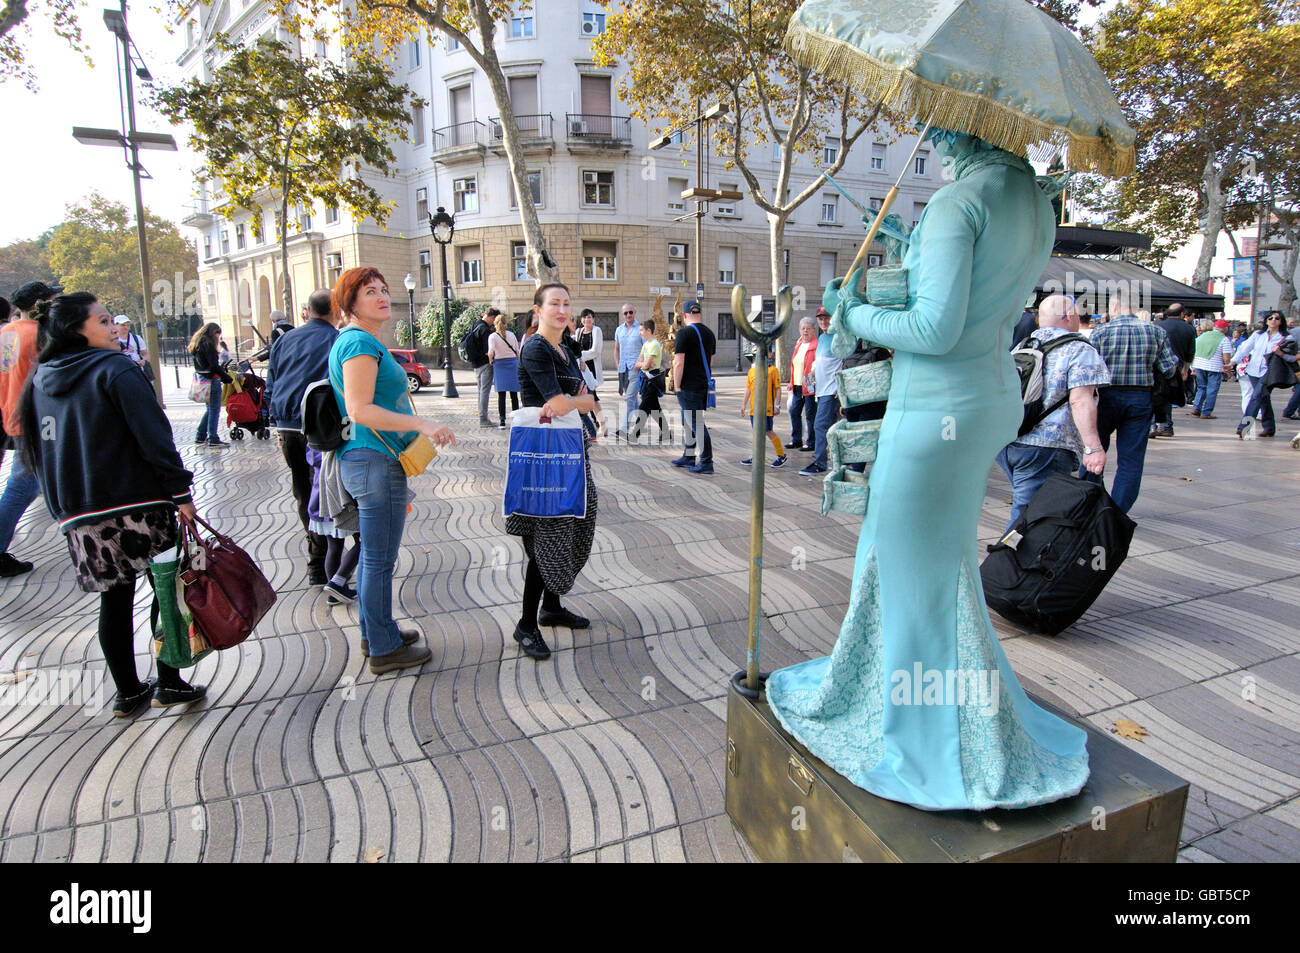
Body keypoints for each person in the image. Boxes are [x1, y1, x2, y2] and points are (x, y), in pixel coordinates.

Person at [767, 130, 1089, 811]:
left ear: (961, 119)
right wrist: (916, 258)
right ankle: (959, 709)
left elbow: (936, 330)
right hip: (991, 399)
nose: (933, 134)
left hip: (935, 407)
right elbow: (978, 304)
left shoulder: (958, 200)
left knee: (903, 561)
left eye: (938, 123)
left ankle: (919, 731)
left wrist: (854, 310)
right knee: (939, 564)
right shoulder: (1033, 199)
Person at [20, 293, 204, 714]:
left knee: (114, 602)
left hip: (81, 513)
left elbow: (39, 453)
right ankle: (170, 681)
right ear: (76, 329)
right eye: (103, 321)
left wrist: (60, 510)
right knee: (166, 591)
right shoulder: (116, 369)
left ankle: (128, 691)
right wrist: (180, 493)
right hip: (138, 503)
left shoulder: (40, 379)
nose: (114, 329)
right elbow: (153, 435)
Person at [329, 267, 456, 673]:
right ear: (351, 303)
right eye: (370, 291)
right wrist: (423, 424)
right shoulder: (358, 343)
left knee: (373, 557)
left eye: (384, 289)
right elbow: (360, 409)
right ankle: (383, 648)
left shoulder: (358, 341)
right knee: (379, 560)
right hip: (374, 462)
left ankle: (376, 632)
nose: (382, 296)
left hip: (369, 461)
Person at [509, 282, 598, 661]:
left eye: (567, 303)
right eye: (554, 304)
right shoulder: (535, 348)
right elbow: (557, 402)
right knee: (548, 533)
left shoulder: (566, 346)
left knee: (577, 517)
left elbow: (572, 394)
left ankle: (552, 606)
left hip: (570, 450)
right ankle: (526, 624)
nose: (562, 310)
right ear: (537, 310)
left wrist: (579, 404)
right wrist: (585, 401)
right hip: (544, 456)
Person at [995, 294, 1109, 532]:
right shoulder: (1079, 349)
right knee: (1027, 516)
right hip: (1046, 444)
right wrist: (1093, 447)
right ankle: (1004, 564)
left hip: (1009, 440)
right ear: (1069, 316)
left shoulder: (1022, 345)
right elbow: (1080, 400)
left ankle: (1022, 561)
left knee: (1029, 507)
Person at [1079, 288, 1178, 512]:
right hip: (1140, 397)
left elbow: (1088, 369)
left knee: (1094, 448)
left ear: (1113, 307)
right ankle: (1118, 511)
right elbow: (1169, 369)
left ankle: (1088, 503)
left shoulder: (1100, 333)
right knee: (1131, 459)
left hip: (1105, 396)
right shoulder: (1155, 332)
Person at [266, 288, 338, 585]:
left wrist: (277, 424)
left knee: (303, 492)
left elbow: (272, 382)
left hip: (287, 426)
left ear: (306, 311)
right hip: (318, 428)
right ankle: (321, 563)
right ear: (336, 310)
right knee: (326, 494)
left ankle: (317, 559)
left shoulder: (284, 339)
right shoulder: (336, 339)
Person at [0, 280, 60, 577]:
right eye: (52, 299)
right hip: (37, 418)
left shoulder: (4, 333)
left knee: (34, 482)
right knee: (22, 485)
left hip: (13, 415)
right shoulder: (40, 334)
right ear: (39, 304)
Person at [304, 444, 360, 605]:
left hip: (320, 500)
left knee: (334, 548)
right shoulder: (338, 436)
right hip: (340, 499)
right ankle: (337, 581)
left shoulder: (314, 439)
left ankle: (335, 593)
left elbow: (312, 459)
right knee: (367, 540)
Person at [1233, 311, 1294, 438]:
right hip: (1253, 370)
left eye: (1277, 318)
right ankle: (1269, 427)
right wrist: (1233, 362)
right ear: (1266, 321)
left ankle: (1244, 427)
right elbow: (1245, 348)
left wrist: (1280, 353)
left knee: (1256, 397)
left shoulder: (1287, 337)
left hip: (1269, 373)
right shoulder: (1258, 335)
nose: (1273, 320)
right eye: (1270, 318)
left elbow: (1292, 357)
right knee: (1263, 398)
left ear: (1281, 321)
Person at [672, 300, 715, 474]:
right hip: (702, 384)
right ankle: (689, 455)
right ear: (700, 313)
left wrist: (676, 385)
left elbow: (678, 363)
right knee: (688, 420)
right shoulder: (709, 333)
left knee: (696, 423)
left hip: (687, 386)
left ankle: (706, 462)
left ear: (683, 315)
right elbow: (711, 361)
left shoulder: (684, 333)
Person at [802, 306, 838, 476]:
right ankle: (837, 463)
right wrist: (811, 375)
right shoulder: (823, 338)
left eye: (826, 318)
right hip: (821, 390)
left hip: (831, 391)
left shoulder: (838, 337)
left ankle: (820, 463)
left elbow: (843, 362)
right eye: (820, 318)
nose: (824, 321)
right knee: (832, 428)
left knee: (819, 425)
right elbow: (821, 363)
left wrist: (840, 388)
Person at [740, 345, 787, 468]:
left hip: (767, 408)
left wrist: (777, 405)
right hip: (753, 409)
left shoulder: (772, 370)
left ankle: (781, 455)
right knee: (757, 432)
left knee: (768, 431)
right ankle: (756, 456)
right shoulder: (752, 371)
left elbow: (777, 389)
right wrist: (743, 405)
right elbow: (748, 389)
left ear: (770, 354)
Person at [1151, 302, 1194, 437]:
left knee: (1155, 394)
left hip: (1157, 365)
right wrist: (1186, 370)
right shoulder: (1189, 329)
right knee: (1168, 396)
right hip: (1177, 365)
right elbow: (1190, 352)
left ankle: (1152, 425)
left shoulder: (1158, 326)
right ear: (1182, 314)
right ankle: (1166, 426)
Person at [188, 322, 232, 447]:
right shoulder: (208, 344)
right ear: (214, 332)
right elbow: (214, 365)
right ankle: (213, 438)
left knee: (209, 409)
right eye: (218, 333)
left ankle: (200, 435)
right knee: (214, 410)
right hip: (212, 379)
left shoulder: (197, 343)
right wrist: (226, 378)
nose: (219, 337)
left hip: (202, 378)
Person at [631, 318, 667, 442]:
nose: (640, 332)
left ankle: (634, 434)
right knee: (655, 409)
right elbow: (638, 363)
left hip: (652, 380)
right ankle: (666, 432)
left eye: (641, 330)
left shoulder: (655, 345)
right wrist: (643, 364)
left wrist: (643, 364)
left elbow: (645, 365)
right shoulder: (646, 344)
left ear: (648, 330)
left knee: (644, 408)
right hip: (646, 379)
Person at [1188, 317, 1233, 419]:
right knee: (1212, 390)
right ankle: (1206, 412)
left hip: (1199, 365)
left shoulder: (1201, 337)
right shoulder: (1224, 339)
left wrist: (1193, 366)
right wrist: (1228, 371)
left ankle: (1196, 407)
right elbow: (1226, 358)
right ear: (1224, 328)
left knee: (1201, 387)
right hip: (1214, 367)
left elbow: (1194, 351)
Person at [487, 309, 521, 429]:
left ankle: (502, 421)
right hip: (512, 364)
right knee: (514, 394)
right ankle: (516, 419)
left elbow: (491, 352)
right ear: (506, 324)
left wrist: (491, 360)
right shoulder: (511, 335)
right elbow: (517, 351)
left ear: (495, 324)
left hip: (500, 365)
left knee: (501, 395)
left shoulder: (492, 337)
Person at [788, 316, 818, 452]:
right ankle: (796, 440)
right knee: (794, 412)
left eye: (808, 328)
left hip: (810, 382)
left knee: (810, 414)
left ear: (813, 330)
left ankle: (811, 442)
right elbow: (794, 365)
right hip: (797, 384)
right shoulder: (798, 344)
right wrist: (791, 381)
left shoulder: (816, 345)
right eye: (803, 328)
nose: (805, 331)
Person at [464, 307, 496, 428]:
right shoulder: (485, 330)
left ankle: (482, 417)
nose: (493, 322)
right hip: (484, 363)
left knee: (480, 390)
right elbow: (487, 350)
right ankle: (483, 419)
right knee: (484, 391)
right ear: (491, 317)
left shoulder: (475, 325)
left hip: (475, 364)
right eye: (494, 319)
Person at [614, 302, 641, 440]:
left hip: (636, 369)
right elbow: (617, 349)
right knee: (635, 401)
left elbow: (647, 348)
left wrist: (641, 364)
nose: (628, 315)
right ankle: (645, 415)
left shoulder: (641, 329)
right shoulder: (619, 330)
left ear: (635, 313)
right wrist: (617, 363)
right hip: (623, 369)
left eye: (631, 312)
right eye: (626, 313)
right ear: (622, 314)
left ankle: (624, 429)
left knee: (629, 398)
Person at [577, 308, 606, 436]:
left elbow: (595, 351)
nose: (586, 320)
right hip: (581, 368)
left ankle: (601, 425)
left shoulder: (596, 330)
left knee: (592, 397)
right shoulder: (578, 332)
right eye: (584, 317)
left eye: (589, 317)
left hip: (591, 368)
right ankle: (594, 424)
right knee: (586, 396)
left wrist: (579, 356)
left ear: (593, 319)